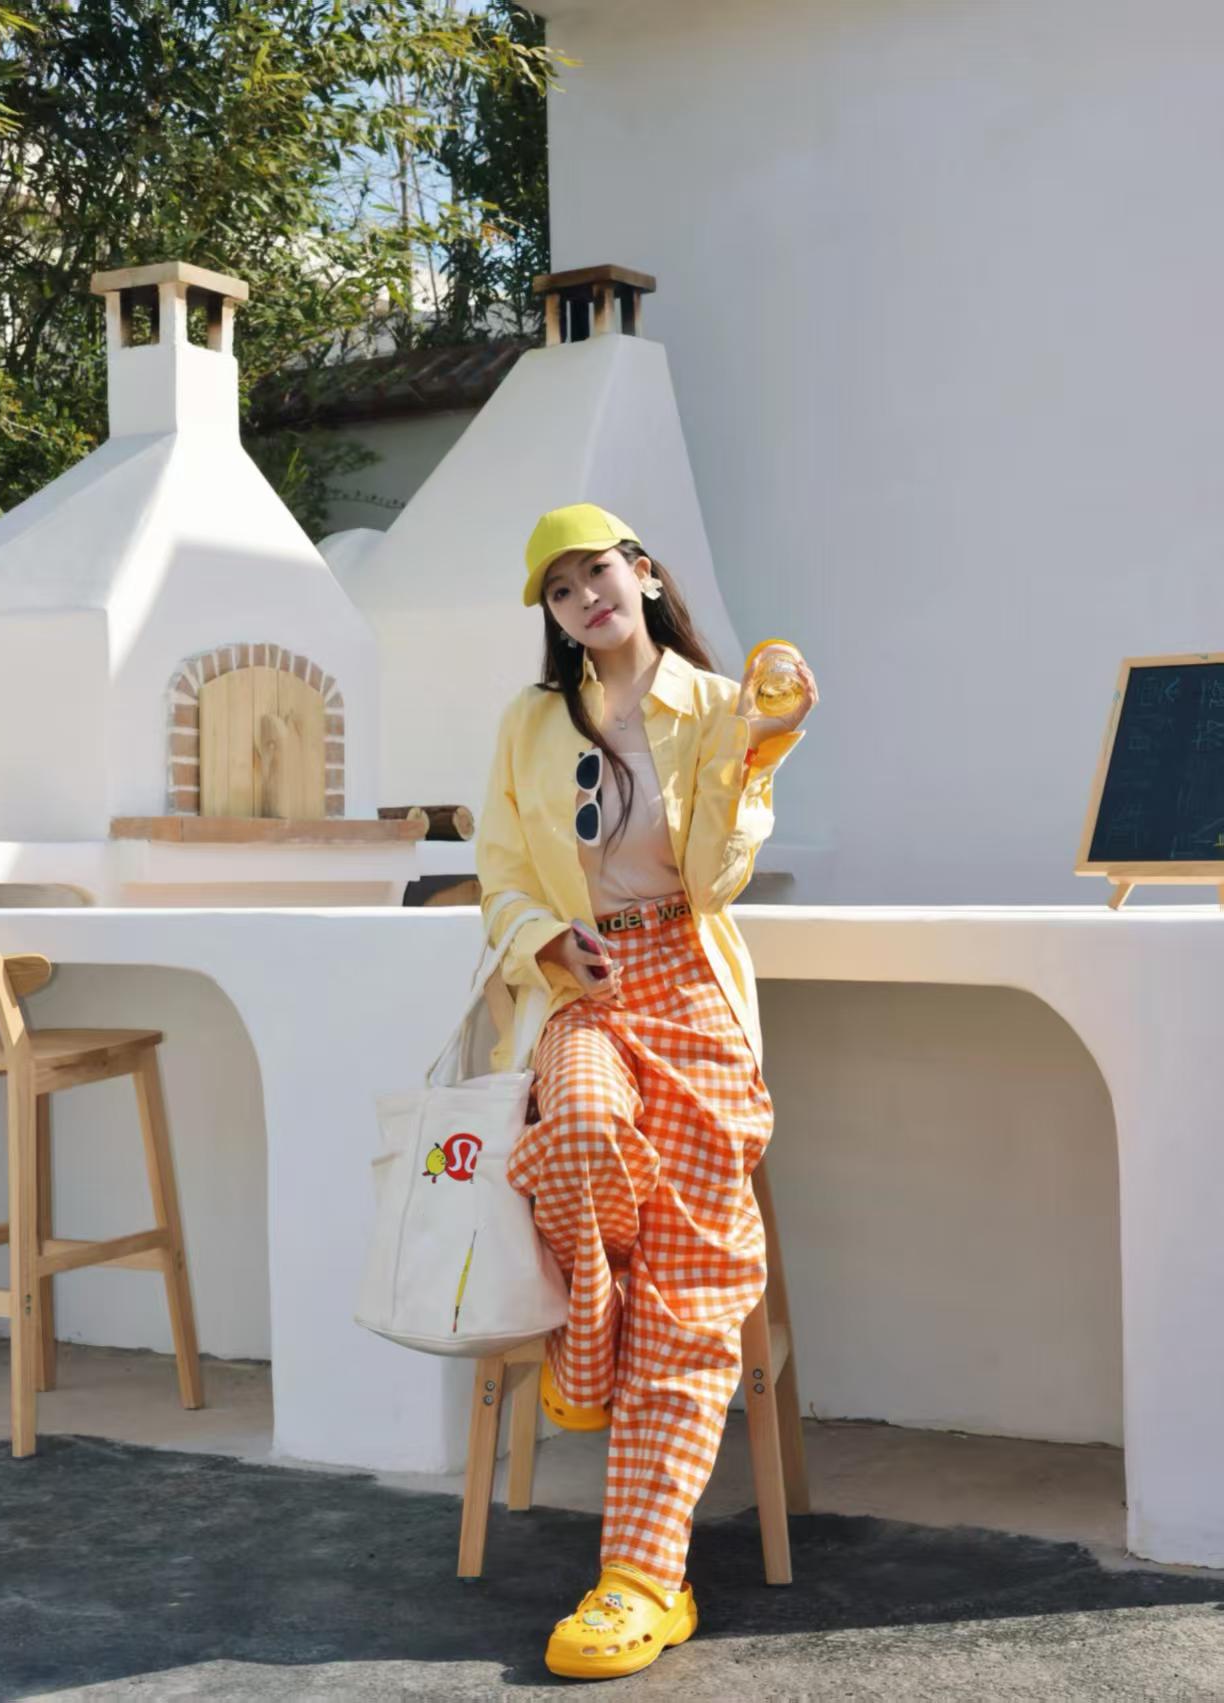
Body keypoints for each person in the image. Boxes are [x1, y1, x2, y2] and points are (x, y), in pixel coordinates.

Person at [475, 502, 817, 1680]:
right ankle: (590, 1343)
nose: (585, 597)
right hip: (581, 990)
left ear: (644, 572)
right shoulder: (528, 722)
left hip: (688, 984)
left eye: (597, 573)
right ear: (553, 615)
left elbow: (717, 877)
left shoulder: (718, 705)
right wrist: (542, 941)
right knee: (575, 1121)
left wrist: (758, 752)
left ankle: (639, 1579)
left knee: (689, 1274)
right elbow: (499, 873)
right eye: (560, 588)